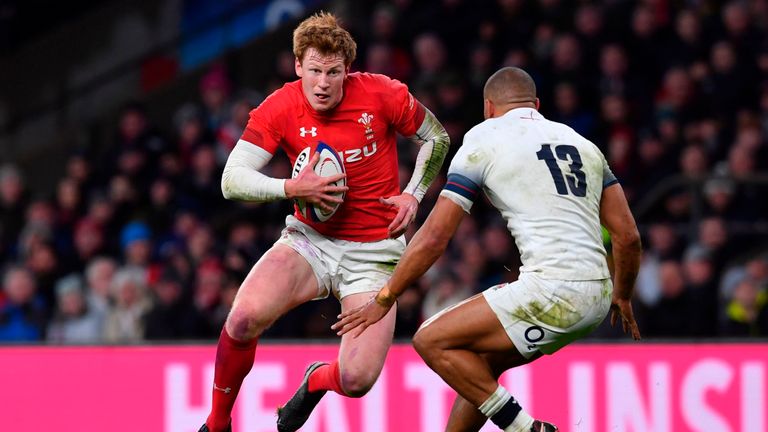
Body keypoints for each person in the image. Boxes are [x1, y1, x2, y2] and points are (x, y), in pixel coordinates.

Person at [335, 67, 642, 432]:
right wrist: (622, 294)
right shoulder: (582, 143)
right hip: (597, 296)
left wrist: (386, 297)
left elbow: (435, 236)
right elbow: (628, 237)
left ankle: (526, 429)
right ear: (537, 105)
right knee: (480, 363)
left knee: (431, 340)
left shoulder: (485, 137)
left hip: (552, 291)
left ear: (488, 107)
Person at [199, 12, 450, 432]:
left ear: (347, 70)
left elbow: (437, 137)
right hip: (310, 241)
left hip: (376, 254)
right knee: (241, 319)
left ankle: (316, 380)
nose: (323, 83)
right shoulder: (280, 106)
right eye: (314, 70)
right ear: (298, 66)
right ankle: (218, 422)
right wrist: (292, 189)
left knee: (356, 380)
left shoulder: (382, 93)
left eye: (333, 72)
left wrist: (414, 193)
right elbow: (231, 179)